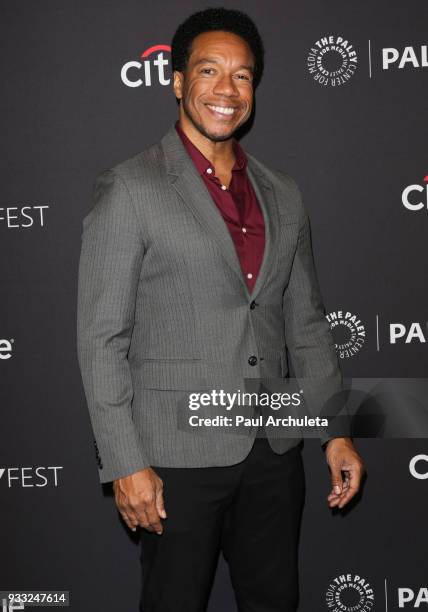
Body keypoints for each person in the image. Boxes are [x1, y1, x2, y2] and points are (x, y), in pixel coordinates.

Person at [77, 7, 365, 612]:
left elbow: (305, 324)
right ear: (178, 81)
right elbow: (102, 338)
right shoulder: (130, 187)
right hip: (174, 462)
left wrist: (334, 431)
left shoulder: (282, 192)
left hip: (274, 453)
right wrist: (125, 461)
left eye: (243, 75)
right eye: (209, 71)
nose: (227, 90)